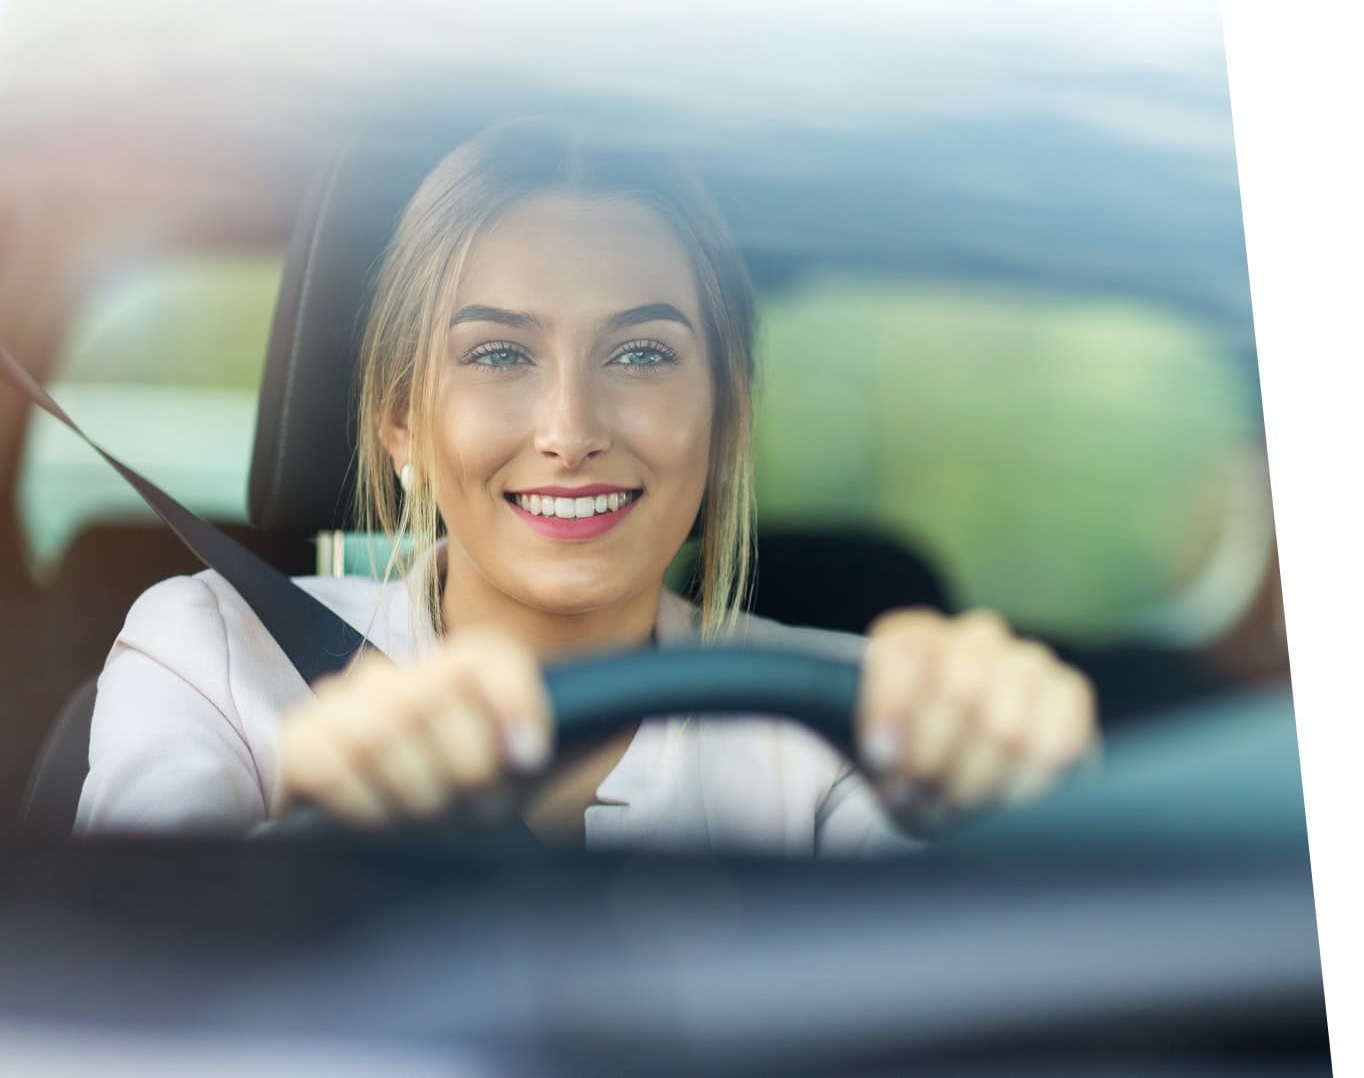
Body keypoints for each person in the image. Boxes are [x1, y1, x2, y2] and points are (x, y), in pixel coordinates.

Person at [75, 121, 1097, 854]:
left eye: (642, 354)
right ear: (401, 420)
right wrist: (320, 847)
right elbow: (127, 999)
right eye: (499, 354)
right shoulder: (214, 654)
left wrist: (1018, 813)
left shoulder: (849, 721)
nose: (570, 431)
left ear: (727, 419)